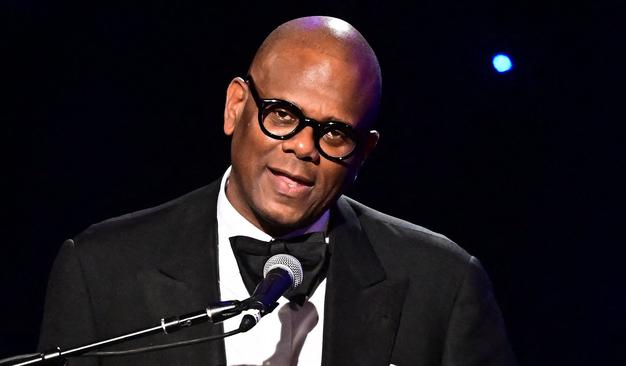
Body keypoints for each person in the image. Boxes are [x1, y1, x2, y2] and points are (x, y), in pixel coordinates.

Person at [38, 16, 516, 366]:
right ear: (236, 107)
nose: (304, 148)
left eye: (334, 133)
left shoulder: (444, 286)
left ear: (363, 154)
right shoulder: (100, 271)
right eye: (284, 116)